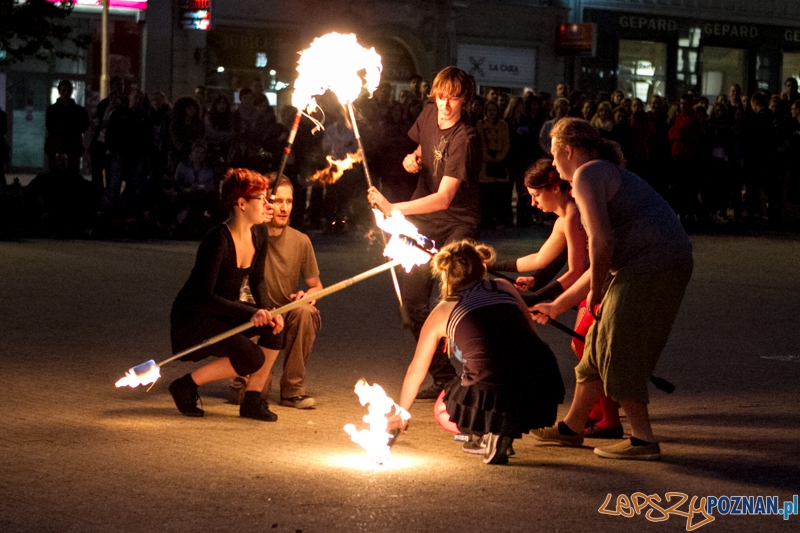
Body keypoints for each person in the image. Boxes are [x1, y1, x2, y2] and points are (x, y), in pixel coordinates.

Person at [530, 118, 693, 460]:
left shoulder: (587, 174)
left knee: (619, 346)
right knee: (596, 346)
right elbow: (604, 257)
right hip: (653, 261)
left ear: (567, 150)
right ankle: (573, 428)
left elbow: (601, 245)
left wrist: (597, 294)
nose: (553, 161)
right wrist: (558, 306)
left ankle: (643, 440)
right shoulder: (597, 172)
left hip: (652, 264)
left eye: (554, 154)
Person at [389, 240, 565, 465]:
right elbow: (531, 333)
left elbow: (417, 370)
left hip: (493, 379)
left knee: (443, 406)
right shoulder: (502, 286)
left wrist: (402, 412)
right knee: (504, 378)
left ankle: (487, 434)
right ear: (482, 267)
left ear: (446, 275)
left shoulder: (442, 311)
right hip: (541, 377)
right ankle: (502, 428)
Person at [367, 66, 482, 400]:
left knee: (452, 301)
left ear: (465, 99)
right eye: (441, 96)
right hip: (425, 216)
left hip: (458, 220)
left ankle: (476, 375)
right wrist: (412, 157)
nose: (446, 105)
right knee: (414, 305)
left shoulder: (466, 138)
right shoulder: (429, 113)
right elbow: (423, 147)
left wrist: (394, 209)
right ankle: (445, 378)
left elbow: (444, 198)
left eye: (454, 98)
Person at [168, 168, 285, 422]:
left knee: (275, 330)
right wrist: (252, 312)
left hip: (224, 311)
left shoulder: (259, 233)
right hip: (195, 317)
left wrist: (268, 311)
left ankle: (253, 400)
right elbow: (205, 296)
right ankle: (185, 385)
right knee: (251, 357)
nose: (267, 205)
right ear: (241, 203)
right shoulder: (217, 240)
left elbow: (257, 280)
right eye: (261, 198)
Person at [231, 175, 323, 409]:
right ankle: (248, 380)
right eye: (278, 201)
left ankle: (293, 390)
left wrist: (309, 294)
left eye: (289, 202)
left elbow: (316, 285)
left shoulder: (301, 241)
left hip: (284, 315)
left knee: (305, 312)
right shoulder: (249, 235)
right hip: (254, 316)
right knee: (249, 395)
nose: (284, 208)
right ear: (265, 203)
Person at [45, 80, 90, 174]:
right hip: (59, 147)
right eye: (63, 91)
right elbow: (51, 127)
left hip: (72, 148)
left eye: (68, 91)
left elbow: (84, 126)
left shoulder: (78, 111)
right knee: (57, 174)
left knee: (71, 175)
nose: (66, 93)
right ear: (59, 91)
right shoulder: (53, 110)